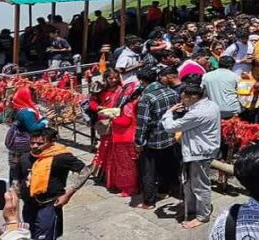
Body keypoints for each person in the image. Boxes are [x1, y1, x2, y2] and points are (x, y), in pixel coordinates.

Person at [159, 82, 221, 229]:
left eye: (184, 99)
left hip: (199, 153)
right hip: (201, 150)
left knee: (200, 186)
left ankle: (202, 216)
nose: (182, 102)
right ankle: (192, 210)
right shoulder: (210, 105)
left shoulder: (198, 112)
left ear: (193, 97)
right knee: (190, 183)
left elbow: (170, 127)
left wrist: (169, 112)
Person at [16, 128, 91, 240]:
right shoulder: (25, 157)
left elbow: (85, 171)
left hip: (49, 204)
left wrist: (69, 193)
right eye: (32, 143)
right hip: (29, 204)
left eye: (40, 143)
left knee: (45, 236)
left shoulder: (61, 157)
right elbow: (18, 179)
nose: (35, 146)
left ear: (51, 142)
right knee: (29, 234)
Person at [134, 67, 180, 209]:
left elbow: (143, 122)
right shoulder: (172, 92)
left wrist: (139, 141)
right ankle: (164, 190)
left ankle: (149, 201)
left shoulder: (147, 98)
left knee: (148, 171)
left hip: (153, 139)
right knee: (165, 166)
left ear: (142, 81)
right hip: (169, 136)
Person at [88, 69, 139, 197]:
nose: (114, 80)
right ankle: (108, 179)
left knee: (119, 157)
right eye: (111, 78)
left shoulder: (124, 91)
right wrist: (99, 108)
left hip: (118, 126)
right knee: (106, 152)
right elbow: (92, 103)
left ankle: (121, 182)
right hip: (105, 125)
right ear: (106, 79)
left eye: (116, 77)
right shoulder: (100, 90)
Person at [7, 86, 49, 182]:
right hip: (24, 145)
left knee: (15, 168)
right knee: (25, 167)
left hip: (16, 143)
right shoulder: (27, 112)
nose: (35, 97)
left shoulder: (17, 107)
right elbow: (33, 129)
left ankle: (13, 185)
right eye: (32, 95)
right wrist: (45, 121)